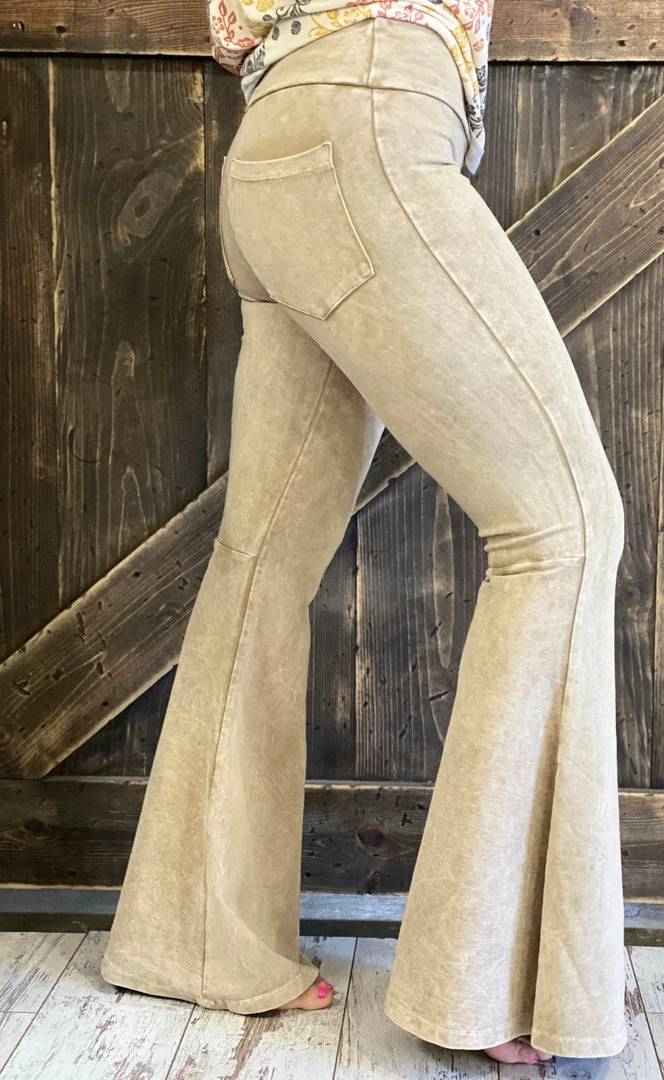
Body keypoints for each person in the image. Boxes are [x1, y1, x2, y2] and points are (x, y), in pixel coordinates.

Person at [100, 0, 629, 1067]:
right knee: (563, 527)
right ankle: (488, 984)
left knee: (261, 563)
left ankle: (195, 937)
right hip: (373, 115)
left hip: (280, 138)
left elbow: (234, 30)